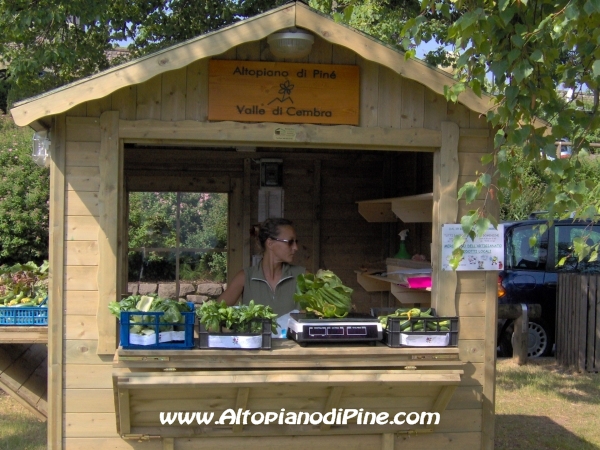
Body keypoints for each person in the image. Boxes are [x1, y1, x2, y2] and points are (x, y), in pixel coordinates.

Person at [218, 218, 305, 316]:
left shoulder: (303, 276)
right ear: (270, 243)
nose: (295, 247)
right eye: (290, 242)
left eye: (296, 242)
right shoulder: (245, 278)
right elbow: (214, 314)